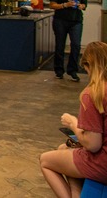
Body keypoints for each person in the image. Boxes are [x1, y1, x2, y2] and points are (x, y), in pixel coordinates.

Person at [39, 41, 107, 197]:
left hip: (102, 163)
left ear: (90, 66)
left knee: (45, 161)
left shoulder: (92, 94)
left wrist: (73, 123)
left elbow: (93, 145)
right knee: (63, 149)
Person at [49, 0, 88, 82]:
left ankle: (73, 70)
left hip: (76, 21)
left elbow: (85, 4)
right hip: (61, 21)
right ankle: (59, 71)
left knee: (76, 45)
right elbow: (52, 5)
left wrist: (82, 6)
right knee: (60, 46)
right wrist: (65, 5)